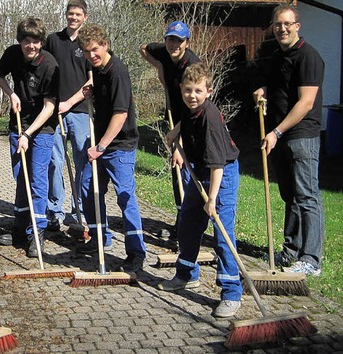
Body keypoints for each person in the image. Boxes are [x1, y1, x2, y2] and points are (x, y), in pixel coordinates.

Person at [157, 63, 242, 318]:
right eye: (187, 90)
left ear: (209, 92)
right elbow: (187, 119)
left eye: (197, 91)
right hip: (201, 170)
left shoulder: (211, 118)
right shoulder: (191, 107)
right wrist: (175, 131)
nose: (191, 95)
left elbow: (217, 164)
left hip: (221, 175)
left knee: (222, 234)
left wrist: (213, 198)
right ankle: (185, 274)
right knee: (188, 223)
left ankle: (231, 292)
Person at [253, 4, 325, 276]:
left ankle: (311, 259)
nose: (282, 29)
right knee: (290, 197)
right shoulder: (278, 56)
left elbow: (306, 103)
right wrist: (263, 91)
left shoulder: (308, 57)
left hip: (301, 135)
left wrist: (277, 132)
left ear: (297, 26)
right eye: (278, 24)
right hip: (281, 135)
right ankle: (291, 250)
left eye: (287, 24)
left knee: (307, 197)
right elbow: (276, 87)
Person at [76, 24, 146, 272]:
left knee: (125, 197)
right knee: (87, 188)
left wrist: (101, 147)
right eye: (86, 52)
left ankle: (136, 252)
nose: (91, 55)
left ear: (104, 45)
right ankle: (99, 238)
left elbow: (120, 114)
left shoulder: (118, 71)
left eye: (94, 50)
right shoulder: (96, 70)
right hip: (101, 142)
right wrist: (90, 94)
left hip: (120, 145)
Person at [0, 17, 59, 257]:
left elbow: (50, 107)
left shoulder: (50, 65)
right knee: (21, 176)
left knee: (37, 178)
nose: (31, 46)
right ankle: (20, 228)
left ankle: (37, 233)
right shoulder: (12, 54)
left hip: (42, 128)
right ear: (20, 41)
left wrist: (28, 134)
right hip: (18, 122)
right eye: (26, 41)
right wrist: (10, 93)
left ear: (41, 42)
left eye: (36, 42)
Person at [140, 20, 201, 242]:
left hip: (192, 122)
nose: (174, 44)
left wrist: (179, 142)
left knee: (186, 168)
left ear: (187, 42)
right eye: (170, 39)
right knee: (177, 174)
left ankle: (190, 226)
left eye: (179, 40)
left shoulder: (192, 66)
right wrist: (159, 67)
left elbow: (197, 108)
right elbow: (143, 48)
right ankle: (181, 221)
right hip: (174, 117)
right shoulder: (163, 51)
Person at [44, 0, 92, 231]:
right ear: (66, 15)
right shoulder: (53, 40)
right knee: (55, 161)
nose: (73, 17)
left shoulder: (88, 43)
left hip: (80, 111)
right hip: (55, 112)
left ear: (85, 17)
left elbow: (91, 82)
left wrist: (69, 102)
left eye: (78, 14)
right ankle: (54, 210)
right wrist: (55, 104)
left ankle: (79, 210)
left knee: (82, 160)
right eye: (70, 13)